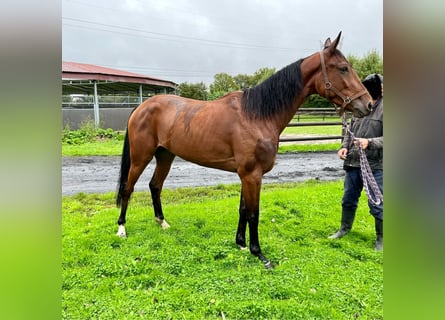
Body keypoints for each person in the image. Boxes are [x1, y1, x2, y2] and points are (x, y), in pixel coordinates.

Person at [328, 73, 383, 251]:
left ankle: (382, 238)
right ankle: (344, 228)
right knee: (348, 199)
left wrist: (370, 142)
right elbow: (350, 130)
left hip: (375, 165)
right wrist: (344, 147)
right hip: (353, 162)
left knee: (377, 202)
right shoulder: (359, 107)